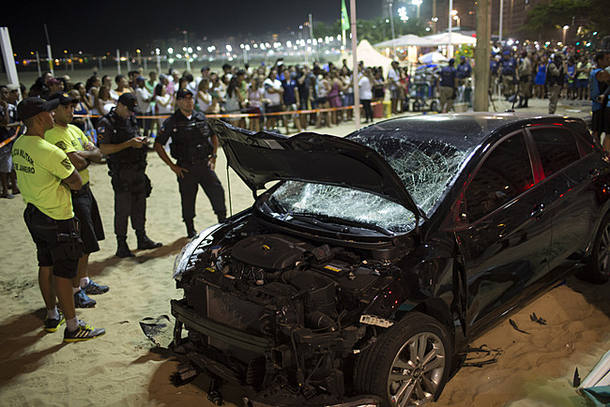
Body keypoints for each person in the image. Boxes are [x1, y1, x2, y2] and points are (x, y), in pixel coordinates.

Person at [12, 96, 105, 341]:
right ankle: (73, 326)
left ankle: (52, 314)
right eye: (49, 113)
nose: (53, 115)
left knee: (45, 264)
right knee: (64, 272)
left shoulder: (19, 145)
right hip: (57, 216)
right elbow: (75, 181)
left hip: (34, 213)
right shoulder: (49, 151)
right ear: (40, 118)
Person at [45, 93, 109, 308]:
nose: (72, 111)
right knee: (78, 243)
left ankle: (83, 280)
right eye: (67, 108)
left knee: (89, 241)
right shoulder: (52, 134)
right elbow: (77, 163)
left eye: (73, 107)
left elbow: (98, 154)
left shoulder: (75, 129)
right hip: (70, 193)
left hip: (85, 190)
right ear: (55, 110)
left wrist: (84, 155)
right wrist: (86, 155)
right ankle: (75, 290)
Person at [154, 89, 226, 238]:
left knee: (217, 192)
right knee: (187, 199)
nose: (189, 101)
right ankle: (190, 229)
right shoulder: (172, 121)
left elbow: (213, 135)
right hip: (185, 167)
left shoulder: (201, 117)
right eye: (185, 99)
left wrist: (214, 156)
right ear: (178, 102)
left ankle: (223, 222)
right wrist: (172, 166)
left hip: (204, 164)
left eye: (191, 99)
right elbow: (158, 145)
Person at [96, 93, 162, 257]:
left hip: (137, 170)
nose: (131, 113)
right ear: (120, 105)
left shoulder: (130, 119)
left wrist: (140, 142)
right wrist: (129, 144)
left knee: (140, 205)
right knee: (123, 209)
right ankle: (122, 244)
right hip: (122, 172)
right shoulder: (107, 122)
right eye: (128, 109)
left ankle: (141, 237)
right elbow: (104, 149)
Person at [0, 85, 20, 198]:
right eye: (2, 93)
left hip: (12, 138)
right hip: (3, 141)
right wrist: (5, 109)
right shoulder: (5, 108)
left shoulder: (13, 107)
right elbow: (5, 122)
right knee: (4, 166)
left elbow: (19, 122)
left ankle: (15, 187)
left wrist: (8, 125)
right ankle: (5, 190)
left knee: (12, 165)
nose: (4, 95)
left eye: (6, 93)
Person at [590, 52, 610, 148]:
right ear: (600, 61)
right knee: (597, 132)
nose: (608, 61)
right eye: (606, 59)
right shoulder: (599, 73)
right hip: (599, 106)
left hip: (600, 105)